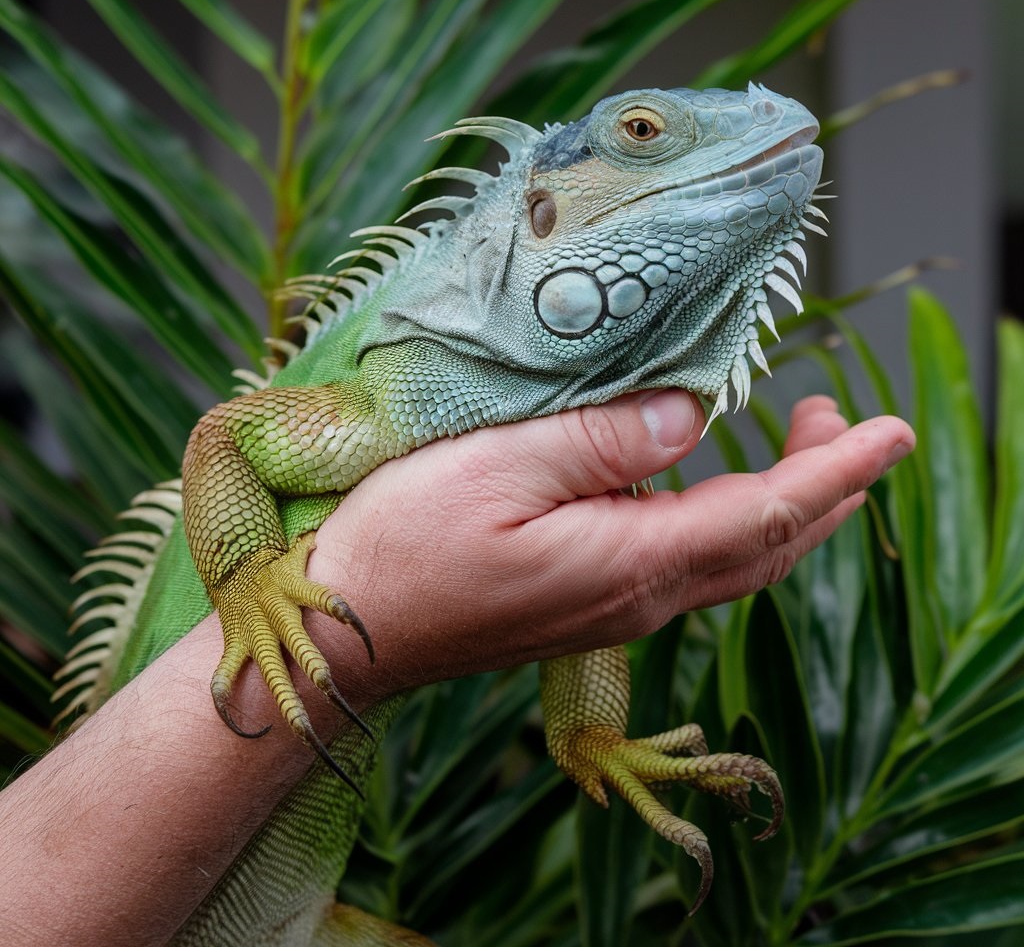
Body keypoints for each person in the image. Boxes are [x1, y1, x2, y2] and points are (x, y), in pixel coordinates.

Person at [0, 390, 914, 946]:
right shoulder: (402, 386)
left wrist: (587, 732)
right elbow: (227, 442)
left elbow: (579, 572)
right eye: (640, 138)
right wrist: (263, 583)